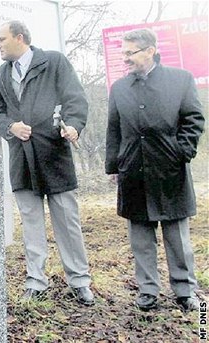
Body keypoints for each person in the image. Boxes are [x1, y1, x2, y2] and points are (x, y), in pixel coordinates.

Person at [0, 20, 94, 305]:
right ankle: (36, 281)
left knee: (67, 223)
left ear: (19, 38)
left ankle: (80, 280)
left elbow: (75, 99)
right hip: (22, 160)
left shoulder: (54, 62)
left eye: (1, 39)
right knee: (32, 224)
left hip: (55, 155)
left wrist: (73, 126)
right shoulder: (1, 74)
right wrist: (11, 127)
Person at [105, 28, 205, 312]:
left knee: (177, 236)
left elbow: (194, 120)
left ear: (150, 50)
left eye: (130, 53)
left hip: (169, 170)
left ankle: (185, 290)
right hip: (132, 171)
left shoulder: (181, 80)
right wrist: (115, 165)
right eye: (122, 53)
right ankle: (148, 290)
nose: (125, 59)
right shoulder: (119, 88)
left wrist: (181, 151)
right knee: (140, 237)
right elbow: (114, 130)